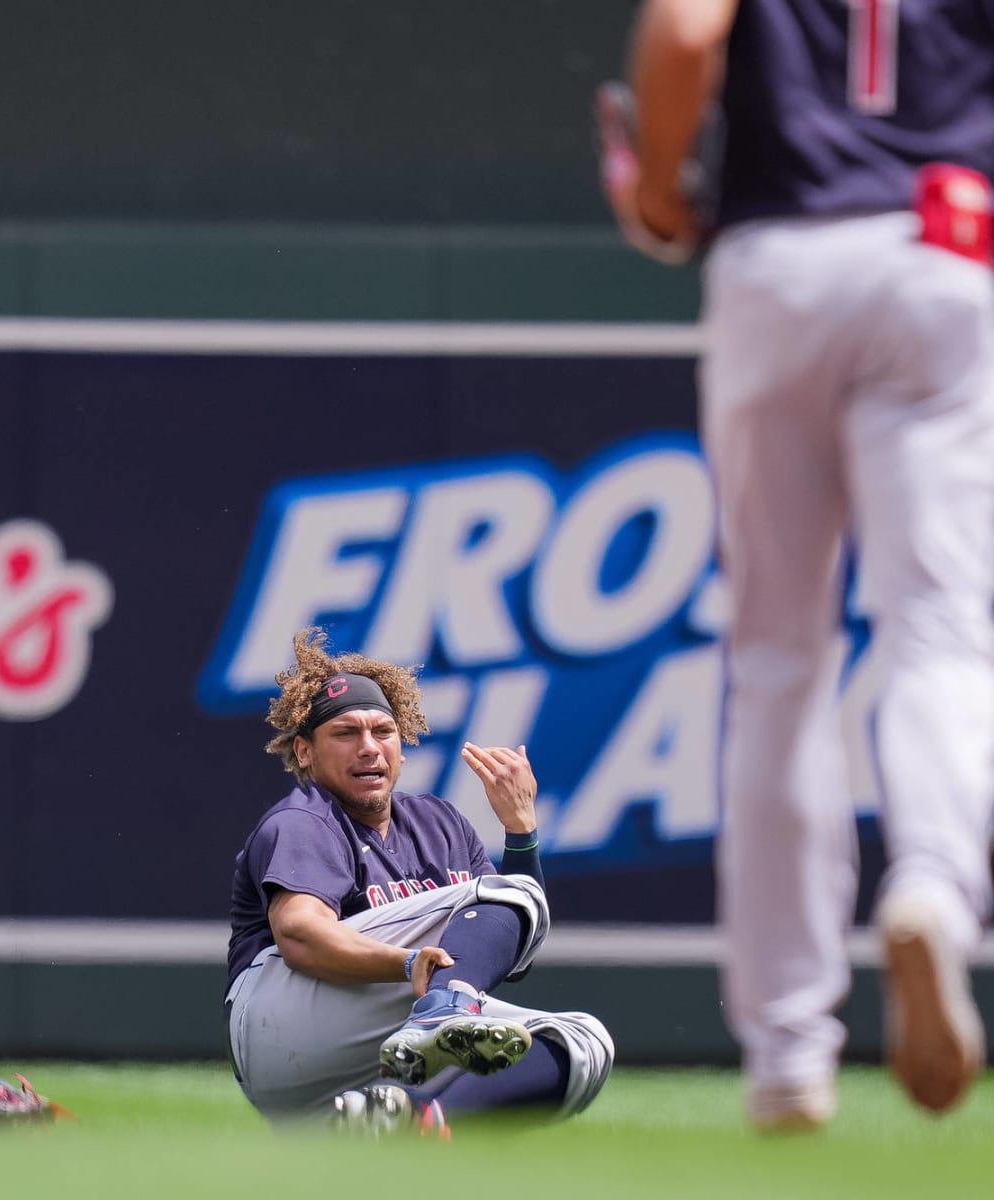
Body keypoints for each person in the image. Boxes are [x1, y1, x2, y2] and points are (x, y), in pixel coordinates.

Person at [604, 0, 994, 1128]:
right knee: (940, 627)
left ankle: (787, 1057)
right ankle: (931, 886)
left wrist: (659, 185)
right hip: (943, 242)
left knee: (777, 661)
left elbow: (683, 33)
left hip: (781, 251)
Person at [224, 628, 613, 1135]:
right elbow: (299, 935)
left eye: (382, 732)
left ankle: (416, 1119)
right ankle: (441, 1011)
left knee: (582, 1043)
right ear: (304, 752)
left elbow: (510, 951)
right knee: (503, 898)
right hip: (285, 1019)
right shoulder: (304, 818)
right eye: (345, 733)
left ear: (402, 747)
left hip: (376, 1049)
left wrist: (520, 831)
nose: (369, 748)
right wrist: (411, 965)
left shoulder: (440, 824)